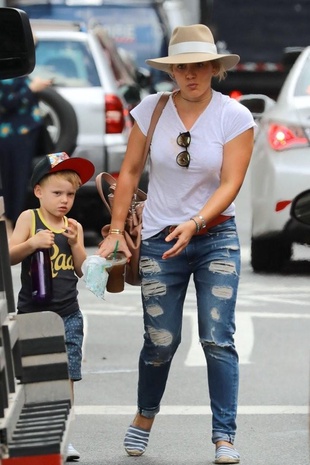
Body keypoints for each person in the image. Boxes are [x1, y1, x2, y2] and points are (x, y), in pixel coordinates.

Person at [98, 23, 256, 463]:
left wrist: (197, 222)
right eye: (182, 67)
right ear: (172, 71)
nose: (191, 75)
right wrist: (114, 232)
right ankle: (145, 416)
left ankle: (224, 436)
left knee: (217, 338)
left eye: (200, 66)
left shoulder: (234, 117)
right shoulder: (150, 110)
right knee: (161, 339)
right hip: (158, 238)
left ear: (213, 68)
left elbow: (233, 181)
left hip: (216, 237)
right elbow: (128, 173)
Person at [9, 152, 95, 462]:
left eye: (70, 194)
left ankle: (64, 437)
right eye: (57, 193)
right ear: (38, 191)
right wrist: (31, 244)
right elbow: (9, 256)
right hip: (34, 313)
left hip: (69, 313)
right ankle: (37, 434)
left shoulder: (74, 225)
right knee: (36, 376)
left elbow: (85, 271)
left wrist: (75, 244)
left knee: (67, 377)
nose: (65, 201)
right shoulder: (29, 219)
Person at [0, 75, 53, 237]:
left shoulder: (21, 70)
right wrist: (31, 89)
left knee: (31, 178)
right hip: (12, 134)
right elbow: (5, 103)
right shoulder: (6, 75)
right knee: (14, 180)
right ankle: (12, 223)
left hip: (32, 131)